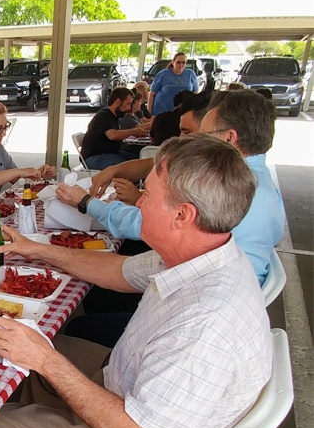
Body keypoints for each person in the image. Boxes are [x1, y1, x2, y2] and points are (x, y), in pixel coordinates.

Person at [0, 135, 272, 428]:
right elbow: (119, 271)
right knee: (26, 361)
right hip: (129, 384)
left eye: (148, 193)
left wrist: (46, 358)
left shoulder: (207, 321)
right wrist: (33, 249)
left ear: (182, 216)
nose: (136, 201)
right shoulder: (200, 253)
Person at [74, 89, 283, 285]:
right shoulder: (265, 183)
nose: (188, 142)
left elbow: (146, 223)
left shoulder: (223, 183)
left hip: (203, 289)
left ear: (229, 138)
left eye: (202, 136)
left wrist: (86, 202)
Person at [79, 87, 150, 170]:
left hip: (108, 154)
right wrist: (133, 131)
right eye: (128, 104)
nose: (129, 108)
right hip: (95, 157)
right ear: (118, 102)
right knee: (130, 166)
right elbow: (112, 135)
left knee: (138, 159)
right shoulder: (104, 115)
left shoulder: (114, 117)